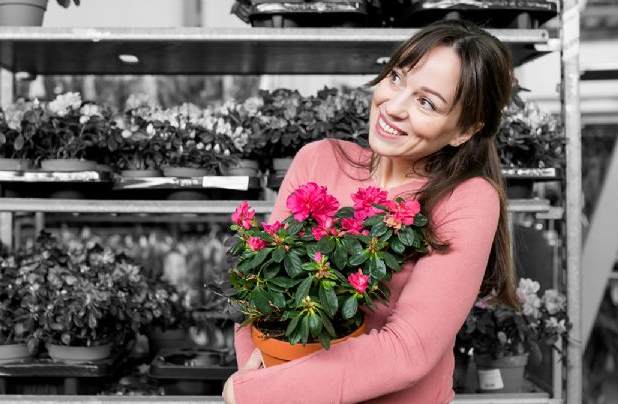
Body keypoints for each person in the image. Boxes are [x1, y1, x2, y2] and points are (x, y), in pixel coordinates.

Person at [222, 19, 521, 404]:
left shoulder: (467, 198)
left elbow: (409, 348)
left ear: (464, 130)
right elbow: (261, 289)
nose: (393, 107)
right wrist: (259, 379)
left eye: (426, 102)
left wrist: (259, 393)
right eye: (396, 78)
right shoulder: (318, 160)